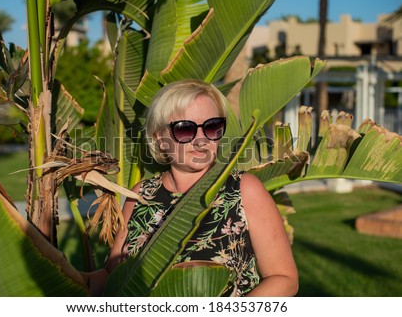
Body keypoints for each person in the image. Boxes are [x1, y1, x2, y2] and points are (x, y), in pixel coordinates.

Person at [86, 79, 298, 297]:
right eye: (185, 129)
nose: (201, 140)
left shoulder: (243, 190)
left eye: (212, 127)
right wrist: (56, 263)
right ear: (159, 138)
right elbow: (113, 278)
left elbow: (284, 279)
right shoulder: (141, 195)